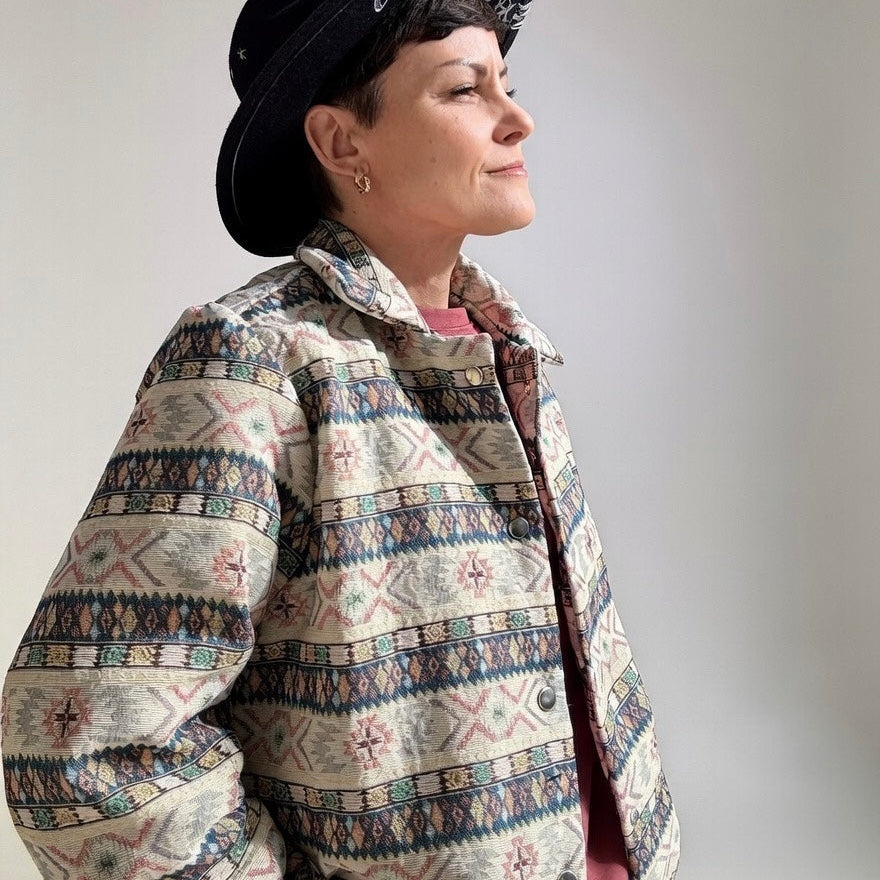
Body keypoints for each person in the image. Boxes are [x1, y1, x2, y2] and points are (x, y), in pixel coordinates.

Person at [1, 2, 680, 878]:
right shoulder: (258, 358)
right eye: (465, 89)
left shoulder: (499, 348)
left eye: (507, 84)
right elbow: (85, 751)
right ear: (340, 141)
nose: (518, 118)